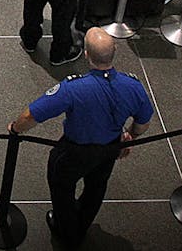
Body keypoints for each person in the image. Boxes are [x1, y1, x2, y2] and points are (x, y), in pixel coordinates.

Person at [8, 29, 153, 246]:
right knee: (96, 187)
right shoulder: (133, 86)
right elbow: (144, 122)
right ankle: (83, 223)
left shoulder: (73, 88)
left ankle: (66, 231)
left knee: (62, 188)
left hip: (74, 151)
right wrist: (129, 135)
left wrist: (15, 129)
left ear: (86, 54)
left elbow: (32, 115)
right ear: (115, 51)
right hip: (109, 149)